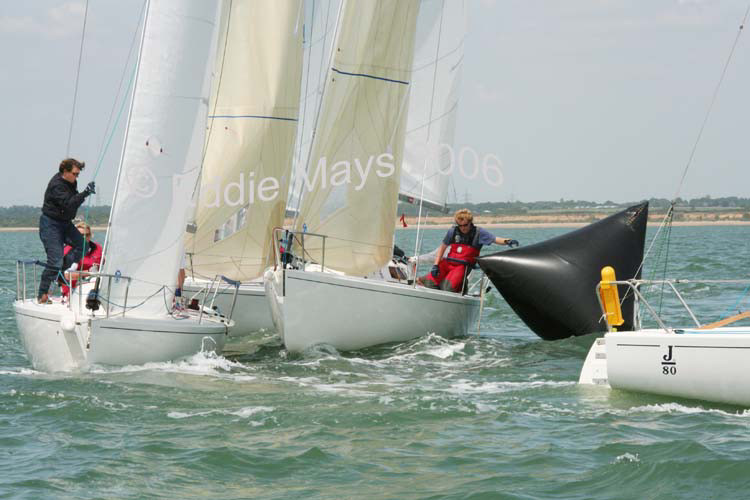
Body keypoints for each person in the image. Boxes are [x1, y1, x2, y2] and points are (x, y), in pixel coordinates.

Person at [37, 158, 95, 303]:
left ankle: (67, 270)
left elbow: (73, 201)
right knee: (55, 261)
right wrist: (85, 193)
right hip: (51, 225)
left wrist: (82, 194)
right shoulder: (56, 185)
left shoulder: (71, 182)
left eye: (78, 175)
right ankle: (42, 294)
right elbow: (69, 204)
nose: (76, 177)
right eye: (75, 174)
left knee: (84, 246)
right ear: (65, 171)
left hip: (65, 224)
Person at [420, 208, 519, 293]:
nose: (463, 228)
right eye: (460, 225)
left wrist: (507, 241)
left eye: (465, 225)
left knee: (447, 288)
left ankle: (463, 285)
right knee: (429, 283)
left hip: (462, 267)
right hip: (447, 264)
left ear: (470, 222)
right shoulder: (452, 231)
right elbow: (442, 248)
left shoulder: (479, 232)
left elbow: (494, 239)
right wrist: (436, 265)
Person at [60, 222, 103, 297]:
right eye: (80, 235)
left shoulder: (97, 248)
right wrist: (89, 272)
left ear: (90, 236)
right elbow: (66, 275)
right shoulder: (68, 251)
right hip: (73, 293)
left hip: (96, 289)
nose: (84, 237)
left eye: (87, 235)